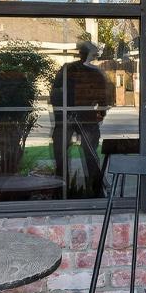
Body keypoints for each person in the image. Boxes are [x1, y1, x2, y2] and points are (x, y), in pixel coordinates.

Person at [49, 41, 114, 196]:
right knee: (61, 155)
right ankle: (61, 190)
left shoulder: (93, 73)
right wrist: (61, 114)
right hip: (67, 116)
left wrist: (100, 113)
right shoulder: (68, 69)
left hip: (86, 117)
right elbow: (55, 94)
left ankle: (95, 190)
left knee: (90, 156)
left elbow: (103, 99)